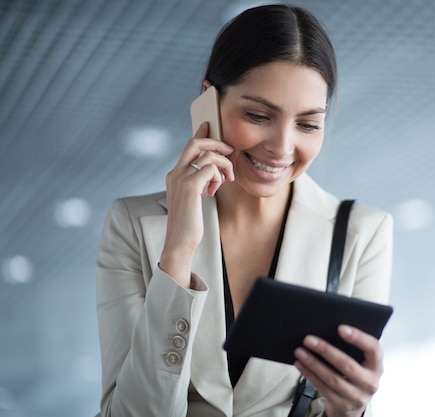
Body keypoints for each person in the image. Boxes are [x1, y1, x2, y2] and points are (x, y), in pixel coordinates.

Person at [95, 4, 392, 417]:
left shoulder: (361, 233)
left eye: (308, 124)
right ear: (208, 101)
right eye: (257, 115)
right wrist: (178, 253)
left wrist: (351, 411)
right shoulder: (132, 224)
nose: (282, 147)